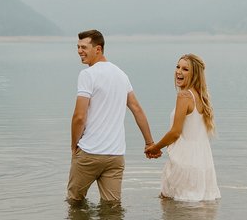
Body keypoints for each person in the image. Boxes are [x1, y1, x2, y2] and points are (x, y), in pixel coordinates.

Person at [67, 29, 154, 205]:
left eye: (84, 47)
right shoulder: (121, 75)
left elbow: (79, 116)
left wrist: (74, 145)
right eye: (77, 47)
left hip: (90, 152)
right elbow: (137, 109)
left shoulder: (87, 75)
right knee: (112, 207)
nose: (79, 51)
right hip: (115, 155)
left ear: (98, 49)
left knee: (74, 202)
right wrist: (149, 142)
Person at [144, 54, 220, 202]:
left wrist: (155, 148)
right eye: (177, 67)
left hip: (184, 163)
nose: (179, 71)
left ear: (194, 74)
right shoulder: (200, 96)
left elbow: (175, 132)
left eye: (185, 69)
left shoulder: (184, 96)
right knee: (199, 219)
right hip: (202, 166)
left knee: (173, 214)